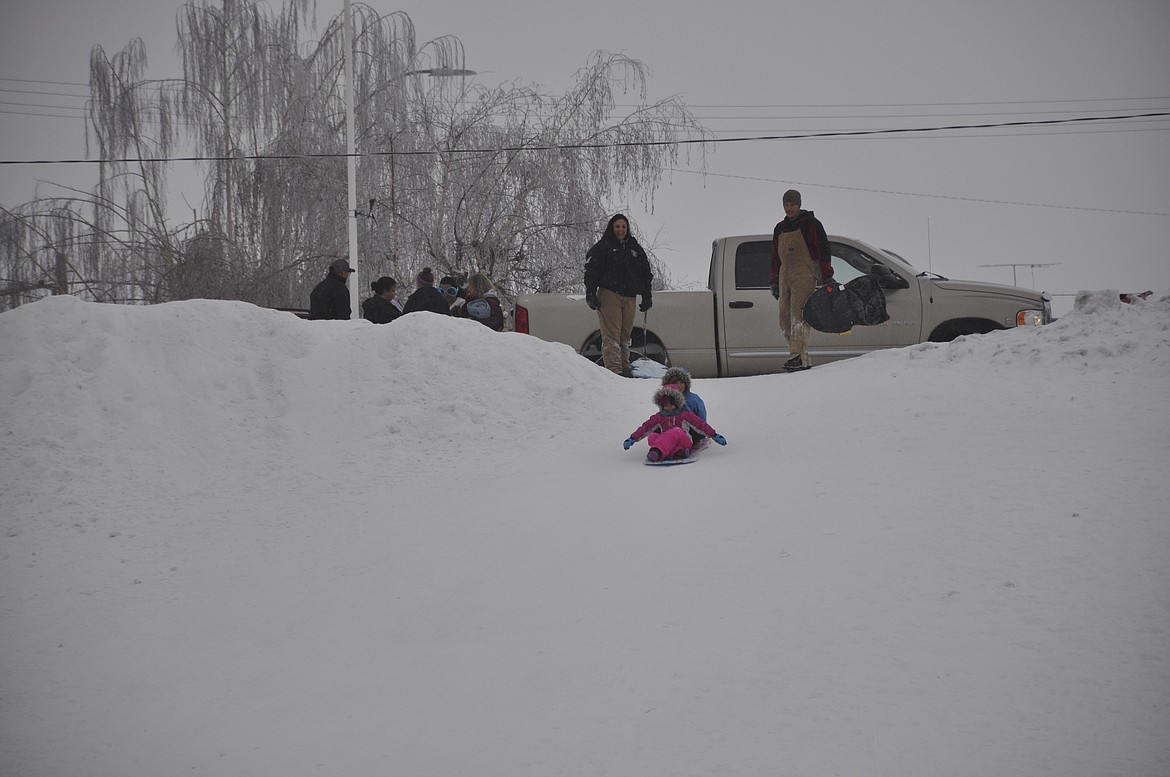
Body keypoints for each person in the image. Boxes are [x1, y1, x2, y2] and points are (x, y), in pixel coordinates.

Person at [584, 213, 654, 377]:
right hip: (609, 294)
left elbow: (646, 274)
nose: (620, 230)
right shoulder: (603, 247)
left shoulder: (634, 248)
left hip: (630, 297)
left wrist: (647, 296)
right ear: (612, 228)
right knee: (611, 335)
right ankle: (614, 372)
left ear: (627, 228)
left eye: (623, 226)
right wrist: (590, 293)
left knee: (624, 336)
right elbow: (591, 272)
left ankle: (625, 369)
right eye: (617, 227)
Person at [770, 189, 832, 371]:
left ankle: (796, 356)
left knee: (799, 315)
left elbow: (824, 250)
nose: (789, 208)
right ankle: (801, 357)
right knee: (784, 318)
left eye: (792, 205)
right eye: (786, 205)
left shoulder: (811, 224)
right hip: (784, 276)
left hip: (804, 274)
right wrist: (773, 280)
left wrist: (827, 274)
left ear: (799, 205)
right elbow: (775, 257)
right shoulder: (779, 228)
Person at [623, 386, 726, 462]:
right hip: (668, 442)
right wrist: (632, 439)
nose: (668, 408)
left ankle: (657, 452)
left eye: (671, 405)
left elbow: (700, 425)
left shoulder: (685, 415)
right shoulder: (659, 417)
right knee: (652, 436)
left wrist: (714, 435)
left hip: (683, 440)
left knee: (675, 431)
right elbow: (645, 428)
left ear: (676, 404)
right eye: (665, 405)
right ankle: (678, 453)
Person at [660, 366, 707, 445]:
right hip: (672, 428)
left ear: (686, 384)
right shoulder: (666, 399)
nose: (679, 385)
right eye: (675, 383)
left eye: (681, 382)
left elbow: (702, 418)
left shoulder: (694, 399)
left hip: (692, 429)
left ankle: (679, 443)